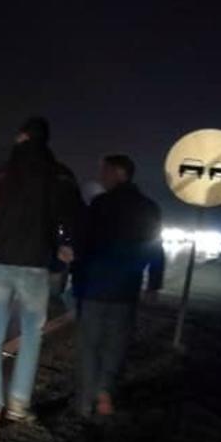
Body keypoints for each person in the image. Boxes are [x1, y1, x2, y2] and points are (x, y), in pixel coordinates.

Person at [0, 117, 82, 430]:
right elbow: (73, 214)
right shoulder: (59, 174)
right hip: (36, 266)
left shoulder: (5, 172)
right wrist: (66, 245)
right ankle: (19, 404)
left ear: (23, 137)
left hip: (1, 263)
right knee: (32, 335)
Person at [73, 154, 164, 417]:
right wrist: (153, 284)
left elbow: (84, 244)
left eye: (105, 171)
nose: (102, 176)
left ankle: (86, 401)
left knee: (89, 344)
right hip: (126, 288)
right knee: (116, 344)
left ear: (119, 173)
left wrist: (76, 275)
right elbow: (155, 250)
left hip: (94, 286)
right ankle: (105, 390)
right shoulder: (149, 208)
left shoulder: (100, 205)